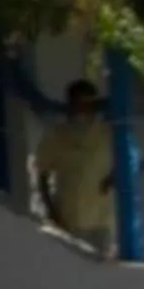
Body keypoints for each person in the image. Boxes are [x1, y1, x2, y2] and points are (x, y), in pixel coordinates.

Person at [33, 79, 119, 256]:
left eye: (89, 104)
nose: (84, 109)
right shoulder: (57, 135)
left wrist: (113, 178)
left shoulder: (107, 134)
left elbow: (136, 162)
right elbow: (42, 173)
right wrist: (51, 211)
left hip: (100, 220)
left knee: (101, 269)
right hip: (68, 218)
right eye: (79, 103)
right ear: (71, 104)